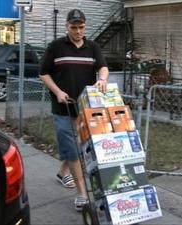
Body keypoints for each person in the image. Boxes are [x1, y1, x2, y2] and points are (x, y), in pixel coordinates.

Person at [39, 9, 109, 211]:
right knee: (72, 149)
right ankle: (82, 194)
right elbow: (43, 73)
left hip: (87, 109)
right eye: (73, 27)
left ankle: (63, 172)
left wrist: (102, 79)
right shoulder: (56, 47)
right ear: (66, 26)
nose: (78, 31)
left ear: (85, 26)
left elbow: (103, 67)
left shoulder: (93, 47)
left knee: (78, 148)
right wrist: (58, 92)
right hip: (63, 108)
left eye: (81, 27)